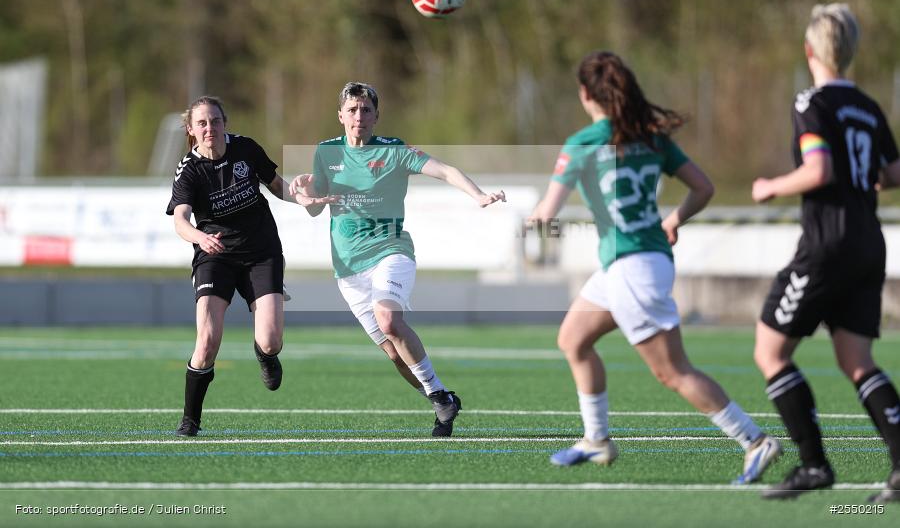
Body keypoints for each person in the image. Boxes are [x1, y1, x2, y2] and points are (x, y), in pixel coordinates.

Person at [529, 51, 782, 484]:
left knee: (673, 371)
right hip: (637, 263)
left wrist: (527, 222)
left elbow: (547, 214)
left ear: (585, 94)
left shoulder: (582, 144)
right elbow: (703, 188)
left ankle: (754, 441)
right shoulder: (652, 138)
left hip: (632, 271)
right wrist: (674, 219)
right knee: (573, 340)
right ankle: (596, 440)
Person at [289, 81, 506, 437]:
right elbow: (316, 207)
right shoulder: (326, 152)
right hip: (347, 268)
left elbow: (446, 170)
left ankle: (437, 396)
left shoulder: (393, 151)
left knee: (389, 319)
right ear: (341, 115)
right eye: (353, 110)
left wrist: (478, 195)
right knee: (394, 353)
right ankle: (443, 399)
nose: (360, 117)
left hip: (391, 250)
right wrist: (306, 196)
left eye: (367, 110)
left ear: (376, 116)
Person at [751, 4, 900, 501]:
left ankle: (814, 465)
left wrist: (771, 186)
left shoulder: (809, 103)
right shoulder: (868, 106)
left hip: (827, 243)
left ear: (809, 50)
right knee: (857, 360)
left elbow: (818, 171)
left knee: (770, 351)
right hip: (868, 242)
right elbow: (892, 173)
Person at [165, 95, 333, 437]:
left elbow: (277, 186)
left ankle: (266, 356)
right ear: (191, 130)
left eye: (215, 121)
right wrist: (199, 237)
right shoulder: (189, 170)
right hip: (216, 256)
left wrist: (303, 199)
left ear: (224, 122)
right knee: (208, 340)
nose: (209, 128)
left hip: (261, 252)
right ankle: (190, 419)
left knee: (270, 340)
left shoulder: (246, 149)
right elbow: (180, 220)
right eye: (202, 123)